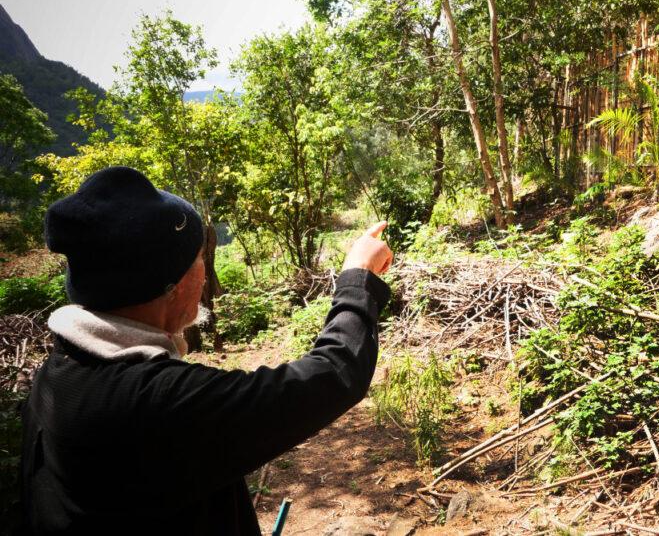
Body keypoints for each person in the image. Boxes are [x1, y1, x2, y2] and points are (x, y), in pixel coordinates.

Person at [20, 166, 393, 534]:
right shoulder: (159, 402)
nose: (204, 271)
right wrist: (358, 274)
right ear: (170, 285)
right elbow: (334, 374)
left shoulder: (60, 371)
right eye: (199, 257)